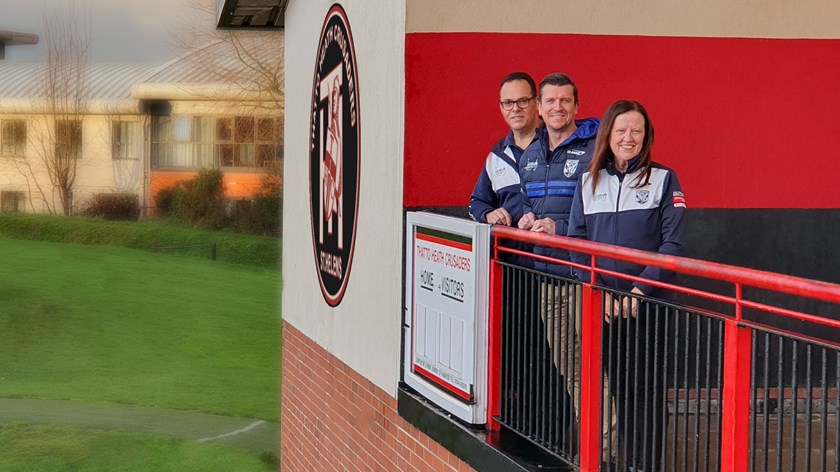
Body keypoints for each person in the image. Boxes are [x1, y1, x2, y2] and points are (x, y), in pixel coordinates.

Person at [567, 99, 686, 472]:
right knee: (619, 386)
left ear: (646, 136)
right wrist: (600, 289)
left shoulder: (665, 179)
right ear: (608, 135)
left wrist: (639, 291)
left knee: (648, 389)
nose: (628, 137)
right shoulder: (589, 181)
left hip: (648, 303)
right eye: (621, 130)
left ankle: (644, 464)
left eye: (636, 130)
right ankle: (627, 459)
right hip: (606, 305)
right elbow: (576, 242)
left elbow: (673, 246)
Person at [469, 72, 540, 228]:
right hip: (508, 251)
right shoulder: (497, 156)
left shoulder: (555, 146)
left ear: (536, 102)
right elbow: (477, 202)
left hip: (548, 251)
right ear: (501, 107)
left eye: (523, 101)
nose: (515, 109)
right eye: (508, 103)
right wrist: (488, 214)